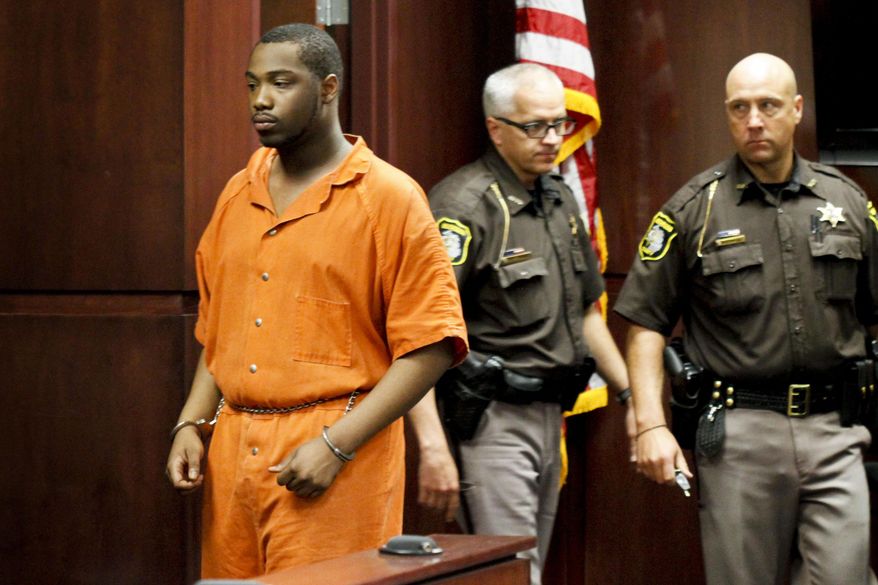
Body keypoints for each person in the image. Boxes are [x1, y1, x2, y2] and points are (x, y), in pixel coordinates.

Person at [164, 23, 468, 579]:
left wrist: (336, 446)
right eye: (252, 83)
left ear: (329, 88)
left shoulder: (390, 198)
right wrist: (190, 423)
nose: (261, 99)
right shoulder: (238, 192)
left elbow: (432, 344)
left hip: (338, 454)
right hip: (234, 455)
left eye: (282, 83)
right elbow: (218, 332)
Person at [615, 52, 876, 584]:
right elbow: (645, 323)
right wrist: (650, 424)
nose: (754, 120)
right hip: (740, 435)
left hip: (835, 428)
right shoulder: (693, 210)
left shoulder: (846, 201)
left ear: (797, 109)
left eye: (768, 105)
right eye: (740, 108)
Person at [409, 63, 634, 585]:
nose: (553, 139)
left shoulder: (558, 198)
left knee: (524, 569)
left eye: (557, 124)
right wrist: (434, 446)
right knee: (508, 574)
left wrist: (633, 399)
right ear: (496, 128)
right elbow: (420, 332)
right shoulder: (464, 207)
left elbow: (585, 313)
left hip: (550, 410)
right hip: (493, 421)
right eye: (536, 126)